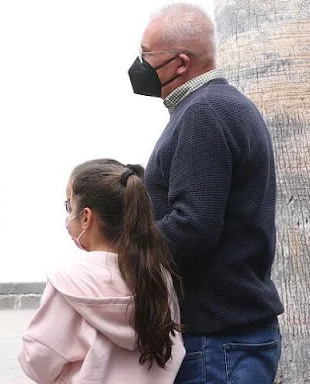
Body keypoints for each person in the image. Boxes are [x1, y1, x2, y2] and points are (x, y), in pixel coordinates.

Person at [129, 3, 284, 383]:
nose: (139, 64)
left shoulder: (205, 112)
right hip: (231, 337)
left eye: (147, 55)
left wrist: (121, 251)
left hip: (220, 342)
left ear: (180, 63)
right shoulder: (220, 105)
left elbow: (193, 226)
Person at [18, 159, 185, 383]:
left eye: (69, 206)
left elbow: (36, 360)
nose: (68, 216)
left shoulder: (68, 280)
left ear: (86, 217)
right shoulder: (160, 276)